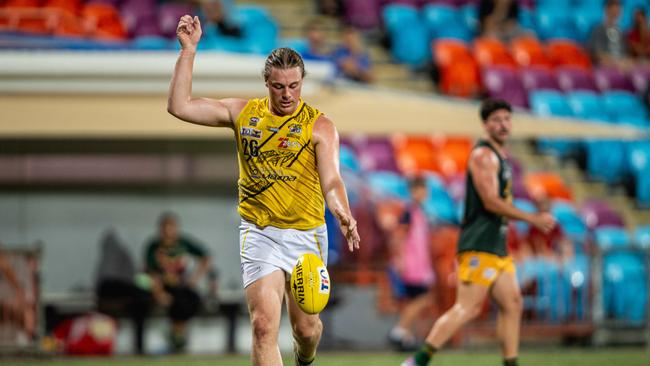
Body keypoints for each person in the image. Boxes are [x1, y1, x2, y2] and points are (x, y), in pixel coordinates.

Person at [167, 15, 360, 366]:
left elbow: (332, 179)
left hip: (306, 236)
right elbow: (179, 106)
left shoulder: (320, 126)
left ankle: (305, 357)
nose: (287, 94)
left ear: (302, 82)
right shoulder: (243, 113)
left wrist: (341, 210)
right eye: (278, 86)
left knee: (306, 330)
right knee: (262, 326)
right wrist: (188, 51)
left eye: (294, 86)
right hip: (260, 233)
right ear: (266, 83)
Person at [401, 99, 556, 366]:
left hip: (496, 246)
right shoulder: (483, 155)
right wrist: (532, 217)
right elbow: (491, 201)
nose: (503, 124)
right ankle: (417, 361)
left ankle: (510, 363)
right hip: (479, 243)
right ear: (485, 124)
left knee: (513, 302)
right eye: (497, 120)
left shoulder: (501, 157)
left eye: (507, 119)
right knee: (468, 307)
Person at [144, 212, 211, 353]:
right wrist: (159, 293)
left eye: (172, 227)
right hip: (163, 287)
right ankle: (176, 337)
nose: (168, 231)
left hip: (182, 287)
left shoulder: (183, 243)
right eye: (165, 228)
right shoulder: (154, 246)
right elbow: (150, 272)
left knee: (193, 298)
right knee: (176, 302)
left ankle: (177, 334)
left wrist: (195, 278)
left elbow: (206, 256)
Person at [388, 176, 434, 351]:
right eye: (420, 189)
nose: (423, 193)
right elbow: (398, 236)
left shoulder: (419, 212)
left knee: (414, 300)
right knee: (422, 298)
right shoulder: (408, 212)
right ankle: (399, 331)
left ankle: (406, 336)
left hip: (419, 265)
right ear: (413, 191)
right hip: (411, 266)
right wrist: (400, 260)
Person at [588, 0, 632, 70]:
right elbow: (598, 54)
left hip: (621, 65)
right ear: (607, 9)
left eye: (619, 7)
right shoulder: (598, 29)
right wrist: (617, 63)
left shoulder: (620, 31)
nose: (618, 10)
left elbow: (625, 54)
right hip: (606, 67)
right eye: (615, 7)